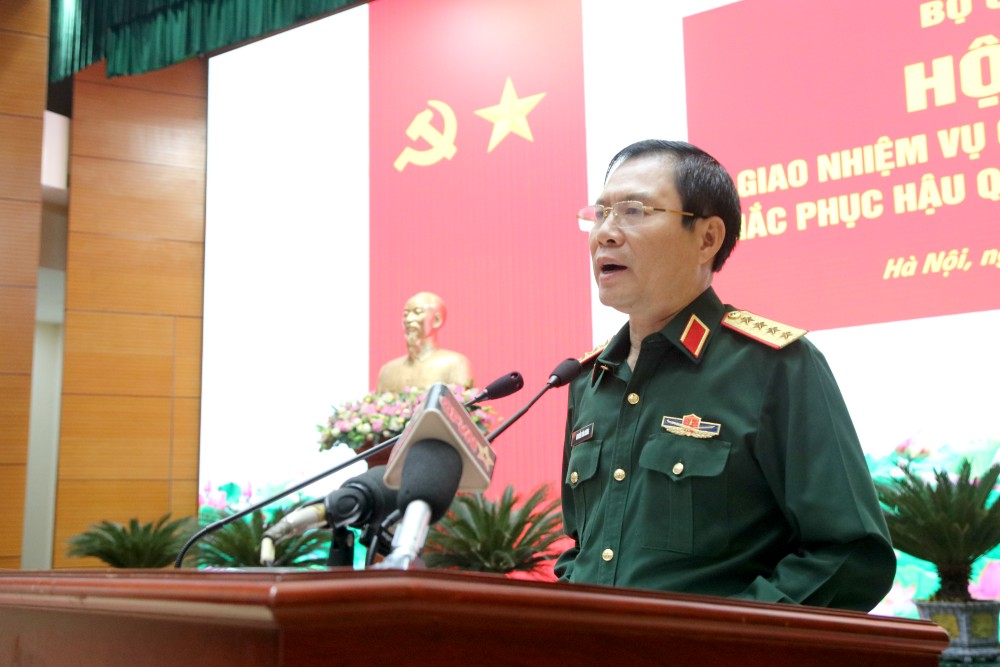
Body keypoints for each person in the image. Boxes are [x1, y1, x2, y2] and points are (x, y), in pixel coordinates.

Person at [554, 140, 895, 611]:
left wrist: (728, 640)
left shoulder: (777, 367)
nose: (606, 234)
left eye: (633, 211)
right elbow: (581, 547)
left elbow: (849, 554)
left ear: (707, 238)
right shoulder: (587, 381)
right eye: (600, 214)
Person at [376, 291, 473, 393]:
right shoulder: (387, 371)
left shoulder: (455, 364)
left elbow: (463, 405)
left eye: (417, 312)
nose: (408, 319)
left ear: (436, 320)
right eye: (405, 314)